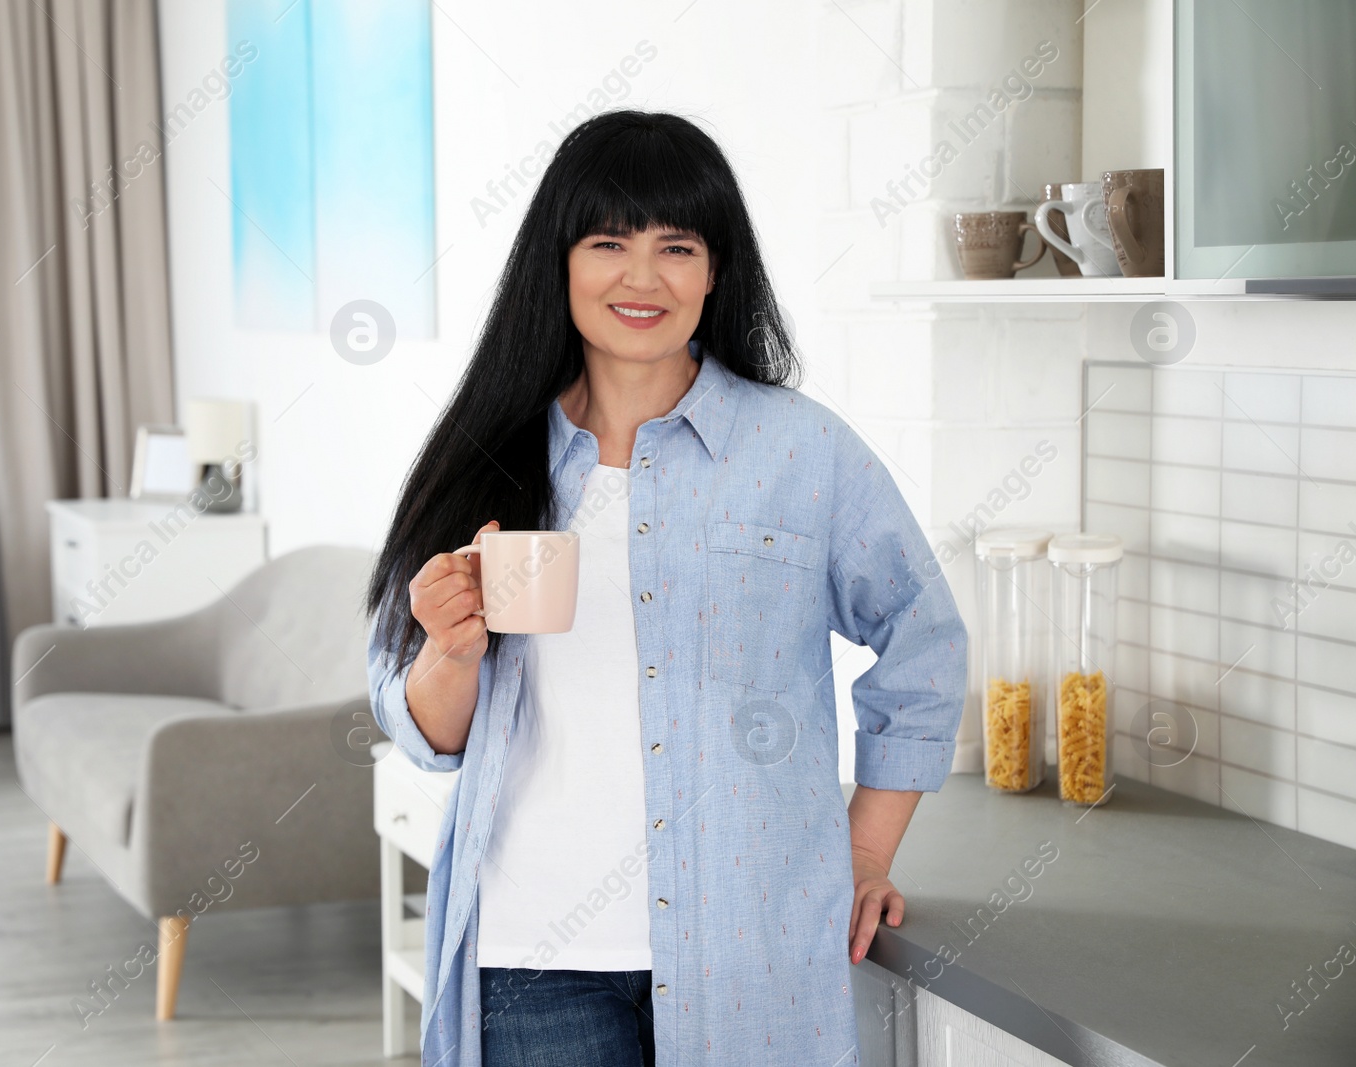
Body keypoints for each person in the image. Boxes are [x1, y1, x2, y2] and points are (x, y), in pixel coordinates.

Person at [364, 108, 967, 1067]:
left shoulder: (802, 453)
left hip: (752, 952)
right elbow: (427, 731)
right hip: (533, 959)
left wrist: (864, 853)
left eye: (676, 245)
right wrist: (451, 649)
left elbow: (925, 640)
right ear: (556, 261)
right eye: (608, 242)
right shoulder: (487, 456)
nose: (642, 278)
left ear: (716, 269)